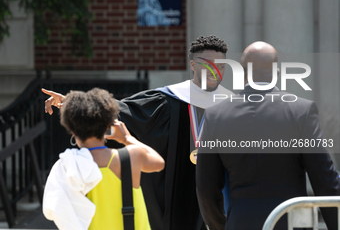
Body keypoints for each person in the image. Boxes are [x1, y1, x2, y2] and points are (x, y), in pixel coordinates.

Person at [43, 35, 233, 230]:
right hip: (179, 198)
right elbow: (123, 110)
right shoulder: (169, 101)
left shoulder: (234, 105)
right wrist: (71, 102)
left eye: (222, 66)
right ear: (193, 65)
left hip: (223, 194)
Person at [196, 41, 340, 230]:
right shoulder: (301, 112)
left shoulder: (216, 116)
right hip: (289, 223)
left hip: (240, 223)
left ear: (243, 73)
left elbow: (206, 188)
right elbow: (324, 180)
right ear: (276, 73)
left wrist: (221, 226)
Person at [43, 88, 164, 230]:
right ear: (108, 125)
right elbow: (159, 163)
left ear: (72, 130)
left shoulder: (68, 166)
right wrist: (127, 138)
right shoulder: (131, 157)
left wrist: (72, 107)